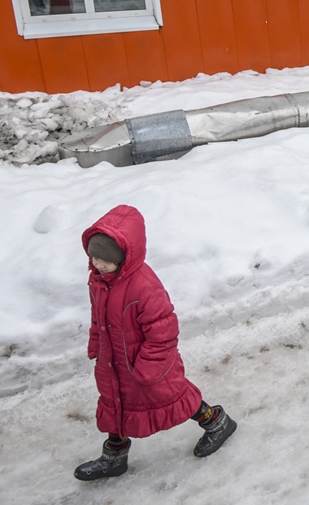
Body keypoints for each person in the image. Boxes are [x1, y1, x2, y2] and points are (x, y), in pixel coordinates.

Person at [75, 205, 237, 481]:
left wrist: (149, 366)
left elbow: (164, 331)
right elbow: (98, 319)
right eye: (94, 257)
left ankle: (217, 422)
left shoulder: (144, 287)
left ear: (124, 256)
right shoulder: (100, 281)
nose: (98, 264)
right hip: (113, 362)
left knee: (175, 398)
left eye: (105, 259)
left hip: (147, 366)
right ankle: (114, 456)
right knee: (116, 405)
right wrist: (96, 345)